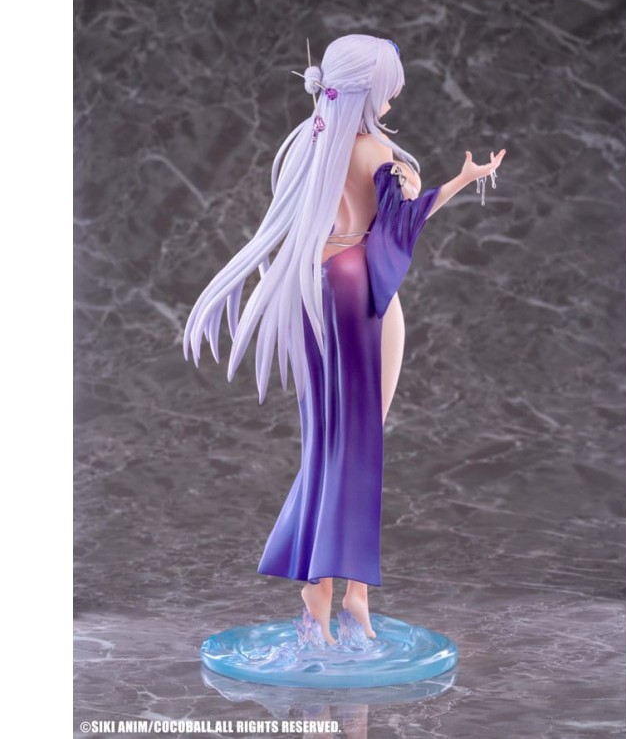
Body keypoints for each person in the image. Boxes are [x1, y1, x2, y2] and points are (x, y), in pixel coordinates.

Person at [183, 34, 506, 646]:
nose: (393, 101)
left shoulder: (314, 143)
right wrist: (462, 181)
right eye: (388, 91)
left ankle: (346, 591)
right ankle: (328, 589)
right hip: (355, 288)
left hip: (319, 280)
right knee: (354, 440)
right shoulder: (378, 154)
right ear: (366, 92)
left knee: (336, 438)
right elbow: (400, 228)